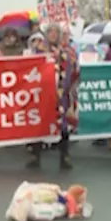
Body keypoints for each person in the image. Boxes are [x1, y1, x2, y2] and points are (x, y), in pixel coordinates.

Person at [28, 25, 79, 170]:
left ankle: (65, 155)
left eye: (56, 32)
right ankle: (35, 154)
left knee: (63, 123)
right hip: (43, 92)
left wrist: (62, 57)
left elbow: (73, 67)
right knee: (39, 122)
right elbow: (31, 65)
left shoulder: (67, 51)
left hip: (61, 92)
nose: (53, 35)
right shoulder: (39, 50)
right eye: (50, 32)